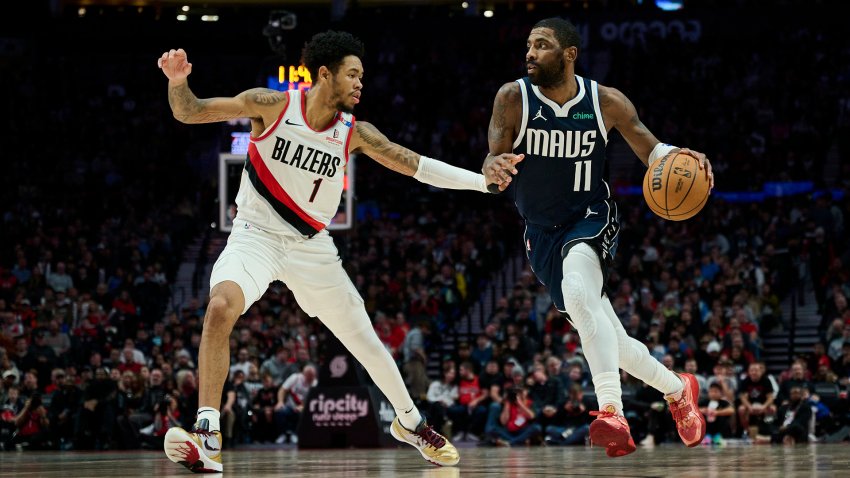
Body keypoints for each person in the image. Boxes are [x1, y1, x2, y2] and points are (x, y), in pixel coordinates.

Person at [158, 30, 518, 472]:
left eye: (361, 76)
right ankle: (208, 433)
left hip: (312, 247)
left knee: (366, 344)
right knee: (219, 307)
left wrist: (482, 181)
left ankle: (411, 423)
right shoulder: (271, 107)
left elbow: (417, 166)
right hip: (255, 235)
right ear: (324, 74)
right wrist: (177, 81)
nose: (359, 84)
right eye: (352, 75)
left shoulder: (355, 132)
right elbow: (189, 112)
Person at [481, 17, 715, 457]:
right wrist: (492, 168)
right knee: (609, 336)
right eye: (528, 44)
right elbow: (495, 159)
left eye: (542, 45)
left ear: (569, 54)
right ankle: (677, 389)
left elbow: (651, 149)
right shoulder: (512, 97)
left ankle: (611, 410)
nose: (530, 53)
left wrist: (682, 156)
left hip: (591, 216)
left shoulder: (604, 101)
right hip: (541, 233)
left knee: (578, 287)